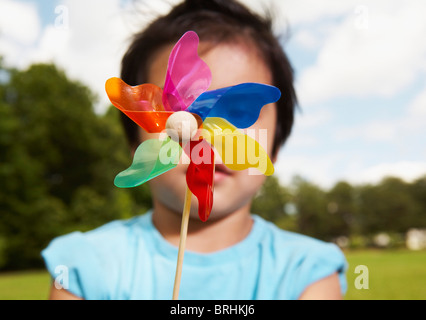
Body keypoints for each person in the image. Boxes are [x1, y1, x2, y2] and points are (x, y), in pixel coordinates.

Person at [42, 0, 347, 300]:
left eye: (236, 113)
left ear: (275, 147)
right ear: (134, 141)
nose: (204, 135)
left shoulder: (308, 272)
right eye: (177, 110)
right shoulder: (84, 268)